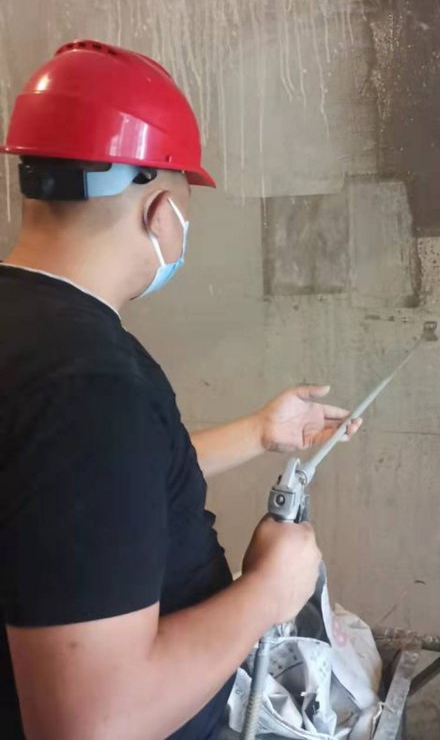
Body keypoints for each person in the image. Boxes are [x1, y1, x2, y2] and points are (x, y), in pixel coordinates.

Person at [0, 40, 360, 740]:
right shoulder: (89, 382)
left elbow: (76, 491)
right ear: (161, 209)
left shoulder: (35, 341)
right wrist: (268, 593)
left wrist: (260, 432)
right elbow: (94, 725)